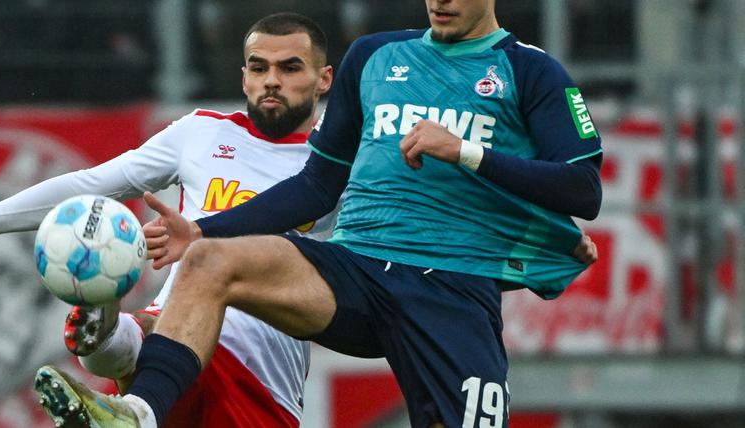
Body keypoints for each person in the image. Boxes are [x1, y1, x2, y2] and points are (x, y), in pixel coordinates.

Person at [54, 0, 604, 427]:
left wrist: (465, 150)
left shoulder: (531, 72)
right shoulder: (375, 56)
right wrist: (201, 228)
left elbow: (582, 187)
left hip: (451, 296)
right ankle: (140, 414)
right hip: (357, 270)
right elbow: (317, 185)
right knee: (206, 262)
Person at [0, 12, 337, 428]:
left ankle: (111, 351)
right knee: (149, 328)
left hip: (263, 378)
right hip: (177, 342)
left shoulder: (344, 164)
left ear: (324, 79)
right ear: (243, 77)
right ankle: (107, 327)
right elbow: (88, 185)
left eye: (290, 68)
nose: (271, 80)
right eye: (259, 68)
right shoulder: (202, 134)